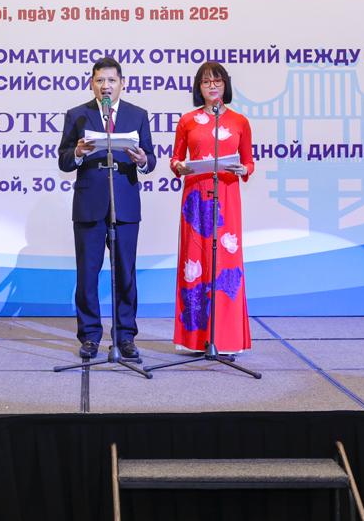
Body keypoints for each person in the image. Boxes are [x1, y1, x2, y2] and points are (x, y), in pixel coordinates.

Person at [57, 56, 156, 360]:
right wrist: (77, 152)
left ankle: (125, 336)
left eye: (112, 80)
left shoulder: (137, 115)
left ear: (122, 83)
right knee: (87, 274)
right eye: (100, 80)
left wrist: (142, 160)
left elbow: (151, 159)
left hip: (125, 205)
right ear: (92, 83)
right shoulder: (78, 115)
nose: (106, 86)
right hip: (89, 204)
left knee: (125, 274)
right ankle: (89, 336)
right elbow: (63, 160)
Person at [170, 61, 253, 354]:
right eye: (206, 82)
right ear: (199, 88)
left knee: (226, 265)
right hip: (195, 199)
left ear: (225, 85)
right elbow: (175, 159)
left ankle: (226, 340)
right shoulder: (187, 121)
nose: (212, 86)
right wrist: (179, 166)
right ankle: (195, 340)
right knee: (196, 262)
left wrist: (244, 169)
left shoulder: (240, 121)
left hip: (227, 196)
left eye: (217, 81)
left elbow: (249, 161)